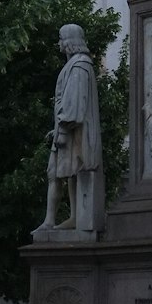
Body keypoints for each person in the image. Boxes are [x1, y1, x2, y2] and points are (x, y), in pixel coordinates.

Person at [42, 24, 105, 237]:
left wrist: (62, 124)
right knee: (63, 174)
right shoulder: (76, 65)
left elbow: (74, 105)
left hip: (71, 132)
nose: (59, 44)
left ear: (69, 41)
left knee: (64, 174)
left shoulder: (79, 66)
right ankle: (64, 218)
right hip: (66, 130)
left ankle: (64, 219)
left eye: (61, 39)